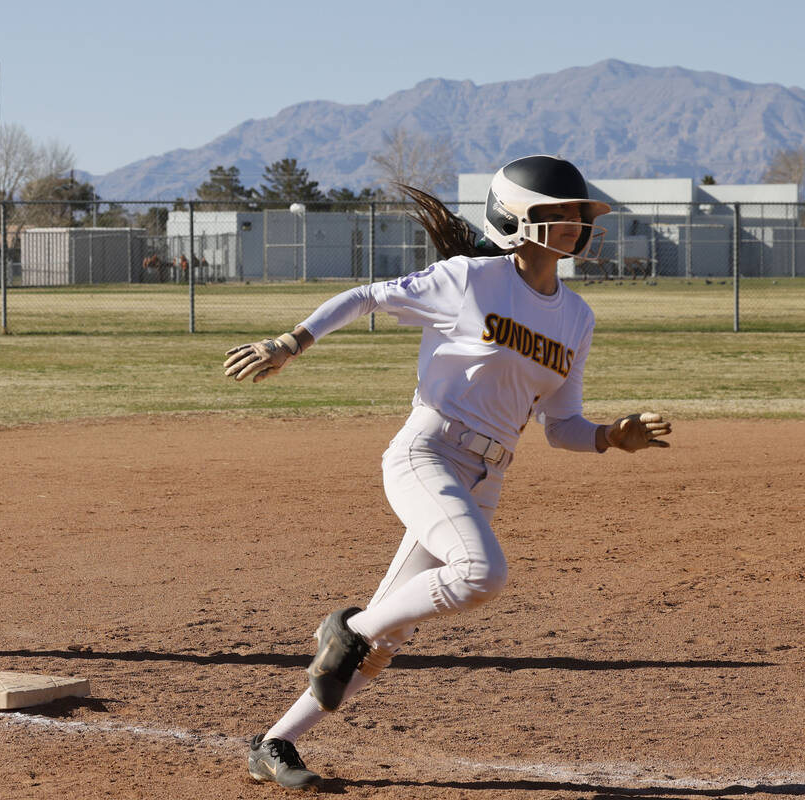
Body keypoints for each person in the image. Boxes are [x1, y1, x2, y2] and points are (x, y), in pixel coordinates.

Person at [223, 155, 672, 790]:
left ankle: (274, 743)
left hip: (489, 475)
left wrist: (610, 437)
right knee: (480, 574)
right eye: (558, 212)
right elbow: (366, 298)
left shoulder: (577, 317)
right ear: (516, 218)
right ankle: (347, 627)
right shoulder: (471, 280)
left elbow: (561, 427)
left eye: (579, 214)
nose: (574, 223)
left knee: (387, 641)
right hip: (427, 453)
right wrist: (290, 343)